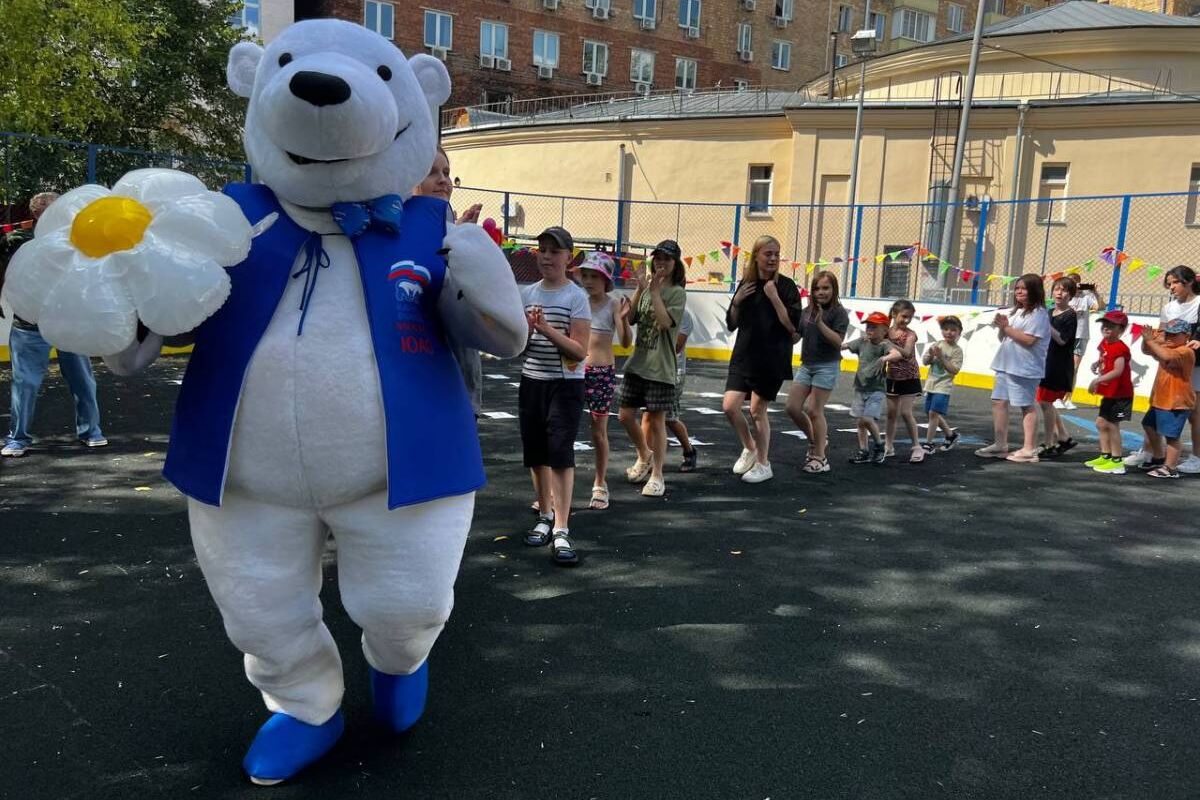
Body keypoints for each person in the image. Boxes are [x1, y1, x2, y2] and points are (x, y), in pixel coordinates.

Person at [1, 191, 108, 457]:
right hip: (37, 322)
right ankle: (20, 437)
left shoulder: (75, 239)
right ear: (37, 214)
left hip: (63, 320)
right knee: (27, 383)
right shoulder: (19, 240)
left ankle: (89, 432)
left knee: (78, 379)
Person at [519, 227, 591, 566]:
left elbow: (579, 350)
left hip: (565, 386)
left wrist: (546, 328)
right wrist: (526, 332)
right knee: (536, 454)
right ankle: (544, 515)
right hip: (532, 382)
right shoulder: (527, 293)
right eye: (542, 249)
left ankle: (562, 528)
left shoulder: (575, 297)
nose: (546, 256)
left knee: (560, 454)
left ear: (569, 257)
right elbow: (517, 347)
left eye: (554, 251)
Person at [722, 235, 801, 484]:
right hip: (744, 355)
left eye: (776, 254)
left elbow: (792, 327)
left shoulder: (787, 287)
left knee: (757, 410)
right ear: (756, 256)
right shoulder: (746, 283)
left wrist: (775, 297)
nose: (773, 258)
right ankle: (750, 447)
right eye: (768, 253)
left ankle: (764, 464)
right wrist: (736, 302)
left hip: (772, 358)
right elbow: (732, 323)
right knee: (729, 406)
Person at [413, 146, 484, 414]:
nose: (443, 180)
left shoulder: (447, 223)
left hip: (459, 371)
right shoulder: (407, 226)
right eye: (431, 173)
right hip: (426, 368)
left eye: (446, 172)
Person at [616, 239, 688, 497]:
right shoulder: (647, 289)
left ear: (675, 264)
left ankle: (657, 474)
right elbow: (633, 318)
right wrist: (640, 289)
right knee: (625, 415)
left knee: (657, 422)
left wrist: (655, 292)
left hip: (660, 368)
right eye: (657, 258)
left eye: (667, 259)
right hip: (638, 364)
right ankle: (644, 454)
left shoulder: (677, 293)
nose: (661, 262)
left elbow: (666, 322)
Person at [1125, 266, 1200, 473]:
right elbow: (1160, 335)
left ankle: (1196, 457)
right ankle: (1150, 451)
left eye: (1175, 282)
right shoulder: (1169, 308)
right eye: (1169, 283)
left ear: (1189, 282)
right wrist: (1151, 345)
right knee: (1156, 404)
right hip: (1169, 364)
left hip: (1193, 363)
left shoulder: (1199, 303)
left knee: (1194, 413)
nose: (1171, 287)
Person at [975, 273, 1050, 463]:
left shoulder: (1039, 314)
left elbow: (1029, 340)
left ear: (1034, 291)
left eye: (1023, 288)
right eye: (1017, 288)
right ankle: (1000, 444)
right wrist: (1002, 328)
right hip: (1005, 364)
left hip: (1024, 368)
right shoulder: (1016, 311)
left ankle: (1029, 448)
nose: (1019, 291)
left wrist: (1006, 328)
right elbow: (1005, 338)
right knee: (998, 402)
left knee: (1026, 405)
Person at [578, 251, 631, 511]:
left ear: (606, 280)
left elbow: (626, 341)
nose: (588, 281)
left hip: (601, 372)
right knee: (563, 428)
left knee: (598, 431)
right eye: (585, 275)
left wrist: (621, 319)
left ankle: (600, 482)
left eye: (594, 277)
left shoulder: (613, 305)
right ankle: (553, 488)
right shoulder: (577, 301)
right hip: (575, 371)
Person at [785, 270, 849, 474]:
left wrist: (820, 322)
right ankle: (817, 440)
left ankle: (820, 457)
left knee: (814, 410)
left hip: (827, 365)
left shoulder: (838, 313)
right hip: (807, 364)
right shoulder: (806, 311)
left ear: (834, 289)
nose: (820, 292)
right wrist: (784, 329)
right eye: (816, 288)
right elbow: (797, 337)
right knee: (792, 408)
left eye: (825, 288)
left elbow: (838, 341)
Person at [1139, 317, 1197, 479]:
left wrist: (1151, 342)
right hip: (1162, 399)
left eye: (1174, 335)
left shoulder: (1185, 351)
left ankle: (1170, 467)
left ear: (1186, 336)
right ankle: (1159, 457)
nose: (1169, 338)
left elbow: (1166, 356)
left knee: (1172, 436)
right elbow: (1147, 350)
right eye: (1168, 334)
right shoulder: (1166, 346)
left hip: (1177, 402)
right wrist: (1146, 340)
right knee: (1149, 425)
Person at [646, 305, 698, 472]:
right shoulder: (651, 309)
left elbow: (676, 347)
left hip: (673, 372)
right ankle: (645, 459)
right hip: (653, 370)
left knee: (668, 418)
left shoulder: (684, 315)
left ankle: (689, 450)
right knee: (648, 415)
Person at [842, 311, 897, 464]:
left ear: (885, 330)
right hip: (860, 388)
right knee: (860, 422)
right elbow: (844, 346)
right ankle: (864, 450)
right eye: (868, 326)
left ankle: (879, 445)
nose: (869, 329)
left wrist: (884, 358)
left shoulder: (884, 345)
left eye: (874, 327)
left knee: (867, 418)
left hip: (876, 389)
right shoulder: (862, 341)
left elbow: (896, 354)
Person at [1083, 310, 1134, 475]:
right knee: (1101, 423)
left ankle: (1117, 461)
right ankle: (1106, 455)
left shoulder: (1120, 348)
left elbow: (1118, 371)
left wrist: (1097, 380)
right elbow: (1104, 356)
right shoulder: (1105, 343)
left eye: (1111, 326)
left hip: (1120, 393)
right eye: (1104, 325)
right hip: (1110, 392)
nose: (1106, 328)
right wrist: (1097, 363)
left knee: (1112, 425)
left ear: (1121, 329)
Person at [1035, 277, 1078, 457]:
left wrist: (1047, 325)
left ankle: (1049, 442)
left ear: (1071, 294)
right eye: (1057, 289)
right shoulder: (1049, 311)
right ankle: (1063, 436)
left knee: (1046, 402)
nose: (1059, 293)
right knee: (1045, 402)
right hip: (1044, 361)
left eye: (1064, 290)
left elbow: (1062, 339)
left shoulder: (1070, 315)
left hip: (1058, 365)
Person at [881, 299, 924, 463]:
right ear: (894, 314)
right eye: (904, 317)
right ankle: (888, 446)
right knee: (891, 414)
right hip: (892, 378)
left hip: (909, 377)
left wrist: (888, 343)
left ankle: (917, 446)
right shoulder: (886, 332)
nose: (906, 321)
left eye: (909, 318)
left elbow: (906, 352)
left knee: (906, 413)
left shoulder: (910, 334)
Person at [921, 315, 964, 452]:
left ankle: (929, 443)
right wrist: (930, 354)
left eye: (953, 330)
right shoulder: (937, 344)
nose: (949, 332)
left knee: (933, 413)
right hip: (931, 384)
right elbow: (925, 362)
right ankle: (950, 435)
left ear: (959, 332)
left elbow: (954, 370)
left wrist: (941, 357)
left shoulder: (957, 351)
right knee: (930, 413)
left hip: (943, 387)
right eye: (946, 329)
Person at [1063, 275, 1099, 410]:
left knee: (1074, 369)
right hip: (1066, 335)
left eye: (1077, 283)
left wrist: (1095, 291)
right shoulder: (1066, 296)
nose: (1076, 286)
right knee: (1063, 367)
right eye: (1072, 283)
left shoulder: (1086, 296)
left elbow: (1099, 306)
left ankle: (1068, 398)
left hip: (1081, 335)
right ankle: (1058, 396)